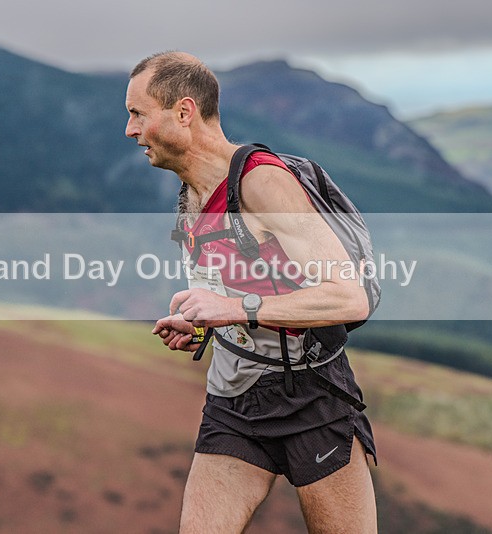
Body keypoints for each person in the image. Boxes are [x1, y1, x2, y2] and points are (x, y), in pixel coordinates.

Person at [125, 51, 377, 533]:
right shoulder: (191, 195)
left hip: (312, 398)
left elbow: (348, 296)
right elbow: (232, 296)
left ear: (183, 112)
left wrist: (235, 307)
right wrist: (203, 324)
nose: (130, 130)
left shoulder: (262, 181)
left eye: (138, 113)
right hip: (233, 402)